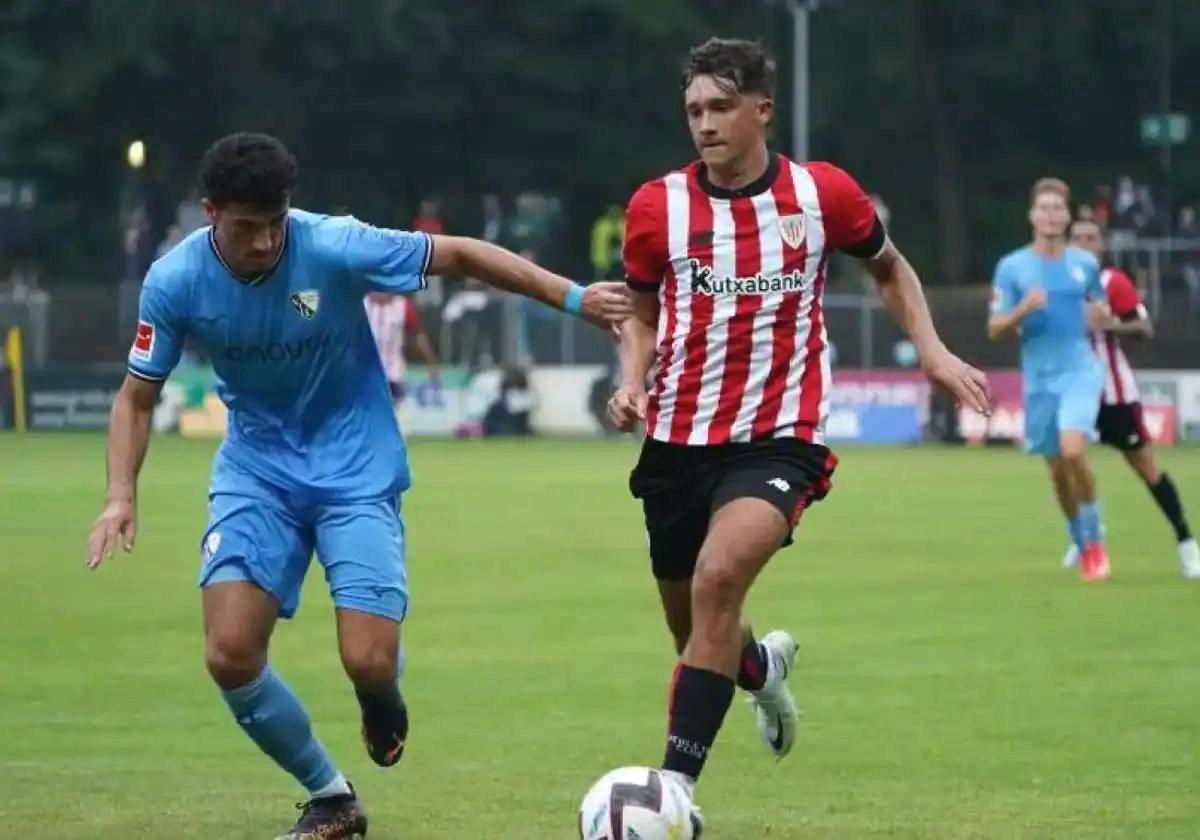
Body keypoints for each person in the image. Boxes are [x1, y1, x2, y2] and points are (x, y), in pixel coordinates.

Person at [84, 132, 630, 840]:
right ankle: (331, 797)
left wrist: (576, 296)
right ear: (211, 214)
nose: (263, 244)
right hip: (257, 472)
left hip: (355, 468)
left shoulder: (336, 244)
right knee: (228, 653)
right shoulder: (174, 280)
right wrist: (120, 494)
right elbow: (136, 396)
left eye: (275, 224)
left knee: (368, 659)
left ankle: (380, 697)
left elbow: (460, 253)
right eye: (246, 229)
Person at [606, 38, 990, 827]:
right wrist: (630, 378)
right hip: (678, 440)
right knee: (699, 628)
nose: (704, 125)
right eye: (692, 111)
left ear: (761, 110)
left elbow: (889, 267)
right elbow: (640, 310)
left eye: (718, 108)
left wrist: (932, 348)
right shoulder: (656, 208)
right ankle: (761, 668)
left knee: (719, 580)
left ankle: (675, 787)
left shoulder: (824, 195)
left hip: (781, 435)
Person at [988, 178, 1111, 581]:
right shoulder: (1012, 267)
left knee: (1074, 450)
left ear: (1067, 216)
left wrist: (1101, 317)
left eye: (1058, 208)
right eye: (1044, 208)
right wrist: (1024, 308)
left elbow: (1100, 309)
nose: (1051, 215)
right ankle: (1078, 535)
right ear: (1032, 216)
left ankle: (1095, 546)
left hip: (1080, 369)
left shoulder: (1084, 264)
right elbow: (995, 327)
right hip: (1039, 378)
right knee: (1058, 473)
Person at [1067, 219, 1200, 577]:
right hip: (1070, 390)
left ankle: (1186, 541)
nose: (1083, 243)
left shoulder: (1113, 283)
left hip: (1113, 394)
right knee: (1068, 458)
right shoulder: (1053, 283)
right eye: (1077, 238)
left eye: (1090, 238)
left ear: (1101, 245)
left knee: (1145, 466)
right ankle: (1090, 534)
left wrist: (1108, 325)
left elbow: (1143, 328)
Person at [364, 291, 440, 409]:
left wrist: (431, 362)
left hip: (393, 375)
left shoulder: (403, 306)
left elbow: (417, 336)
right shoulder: (361, 306)